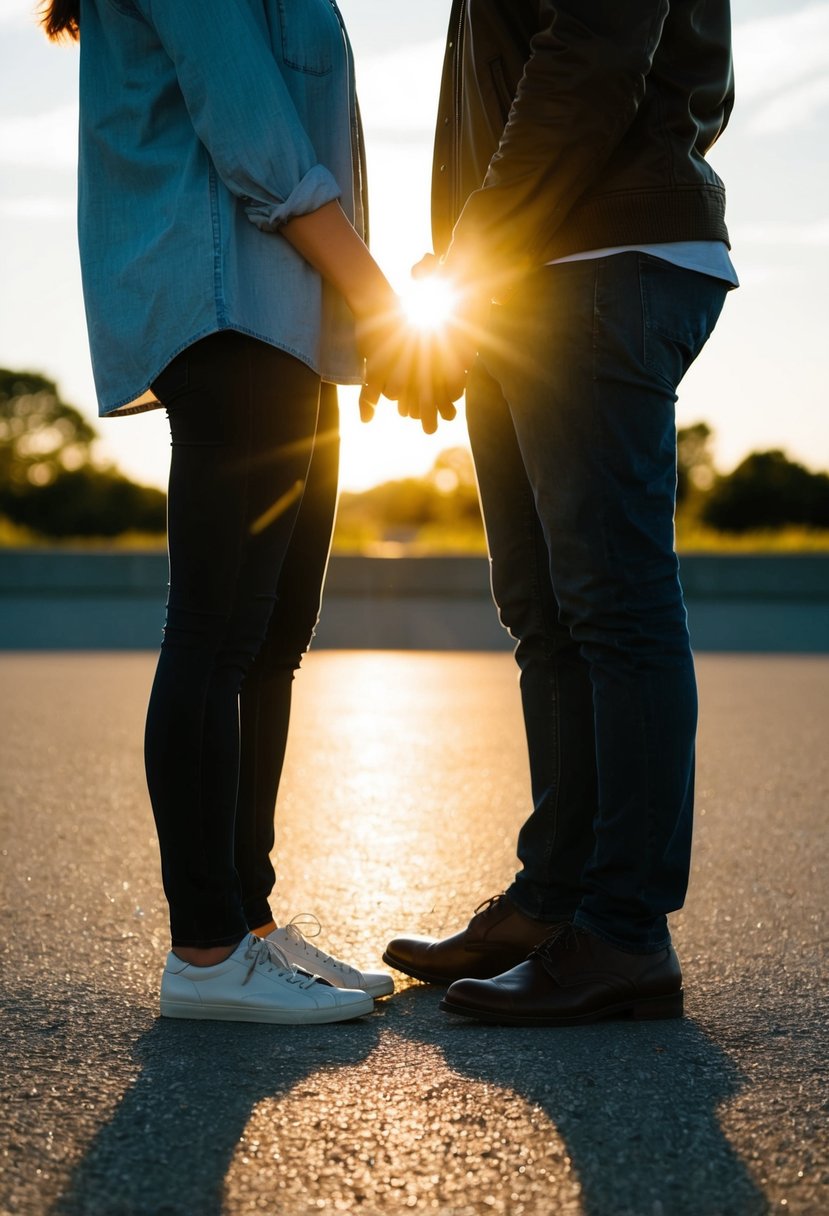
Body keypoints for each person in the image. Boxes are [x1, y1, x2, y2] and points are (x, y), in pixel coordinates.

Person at [43, 0, 449, 1024]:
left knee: (273, 636)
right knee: (217, 635)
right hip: (228, 307)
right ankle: (206, 948)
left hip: (292, 314)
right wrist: (382, 305)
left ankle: (252, 922)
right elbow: (257, 131)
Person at [384, 0, 738, 1025]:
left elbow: (590, 53)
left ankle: (623, 930)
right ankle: (555, 901)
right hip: (523, 271)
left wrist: (465, 260)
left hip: (595, 260)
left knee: (612, 607)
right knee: (543, 609)